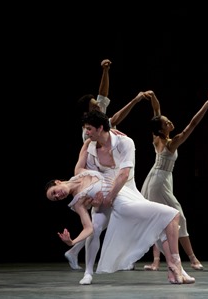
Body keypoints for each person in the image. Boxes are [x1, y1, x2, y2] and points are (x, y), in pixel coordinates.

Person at [45, 169, 196, 285]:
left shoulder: (80, 172)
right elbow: (88, 228)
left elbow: (89, 142)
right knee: (170, 215)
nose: (58, 196)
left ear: (58, 182)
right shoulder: (77, 202)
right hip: (116, 204)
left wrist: (108, 128)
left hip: (124, 191)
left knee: (163, 224)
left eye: (54, 193)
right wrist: (72, 242)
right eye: (55, 199)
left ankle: (176, 271)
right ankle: (88, 272)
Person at [66, 59, 142, 270]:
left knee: (103, 222)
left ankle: (76, 252)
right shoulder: (90, 130)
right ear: (87, 114)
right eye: (94, 105)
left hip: (109, 172)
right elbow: (114, 117)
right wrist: (134, 102)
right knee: (99, 223)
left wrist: (106, 71)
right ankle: (114, 259)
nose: (98, 105)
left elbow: (103, 95)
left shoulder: (98, 119)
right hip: (98, 175)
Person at [141, 90, 208, 271]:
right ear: (161, 129)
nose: (169, 122)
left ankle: (158, 261)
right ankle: (192, 258)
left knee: (159, 219)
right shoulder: (170, 142)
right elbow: (193, 124)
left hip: (160, 178)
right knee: (178, 217)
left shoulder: (158, 138)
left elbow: (157, 112)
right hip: (159, 181)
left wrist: (153, 97)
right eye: (166, 122)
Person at [69, 106, 146, 285]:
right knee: (94, 229)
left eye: (89, 129)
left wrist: (111, 194)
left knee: (153, 219)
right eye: (85, 129)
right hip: (103, 190)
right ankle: (88, 272)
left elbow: (125, 174)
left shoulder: (123, 141)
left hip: (126, 188)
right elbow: (79, 170)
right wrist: (98, 188)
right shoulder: (89, 145)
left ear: (101, 128)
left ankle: (176, 266)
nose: (86, 132)